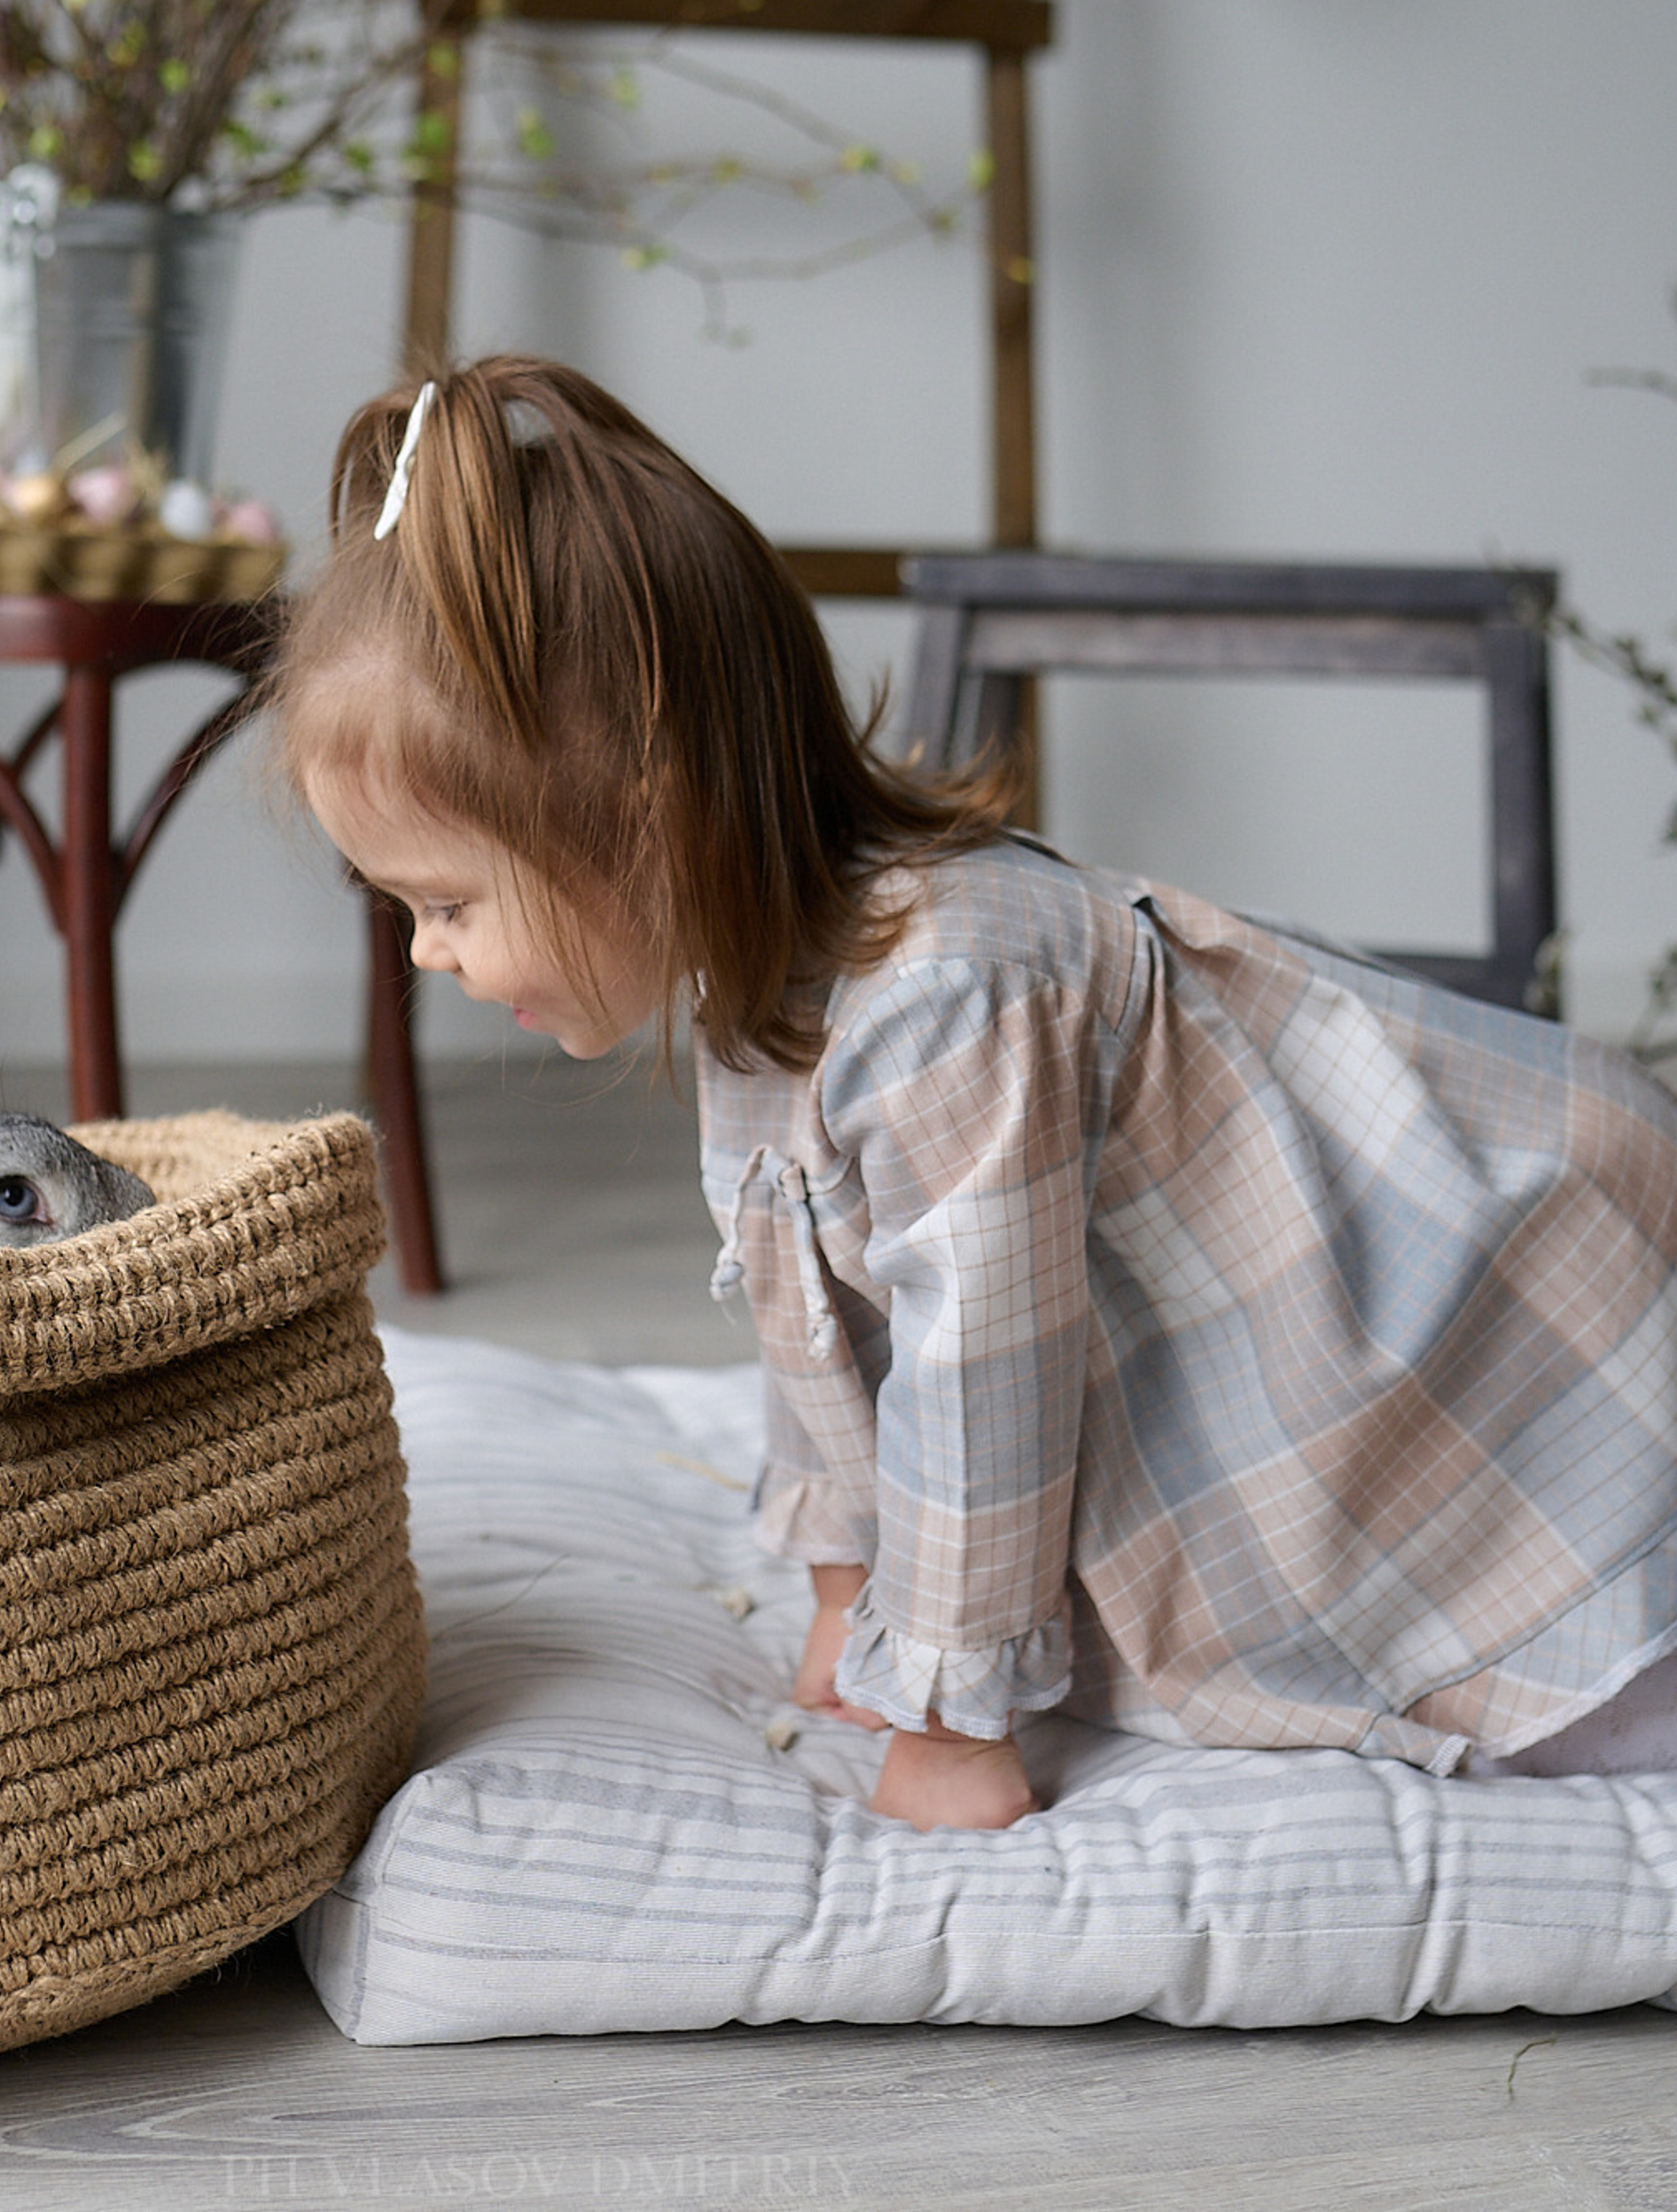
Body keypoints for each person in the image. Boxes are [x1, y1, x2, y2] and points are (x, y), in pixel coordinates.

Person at [267, 353, 1677, 1832]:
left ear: (653, 815)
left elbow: (979, 1379)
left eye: (447, 902)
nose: (428, 954)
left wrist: (948, 1713)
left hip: (1510, 1290)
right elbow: (809, 1308)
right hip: (1477, 1239)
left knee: (1585, 1688)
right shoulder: (751, 990)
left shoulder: (947, 999)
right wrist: (842, 1589)